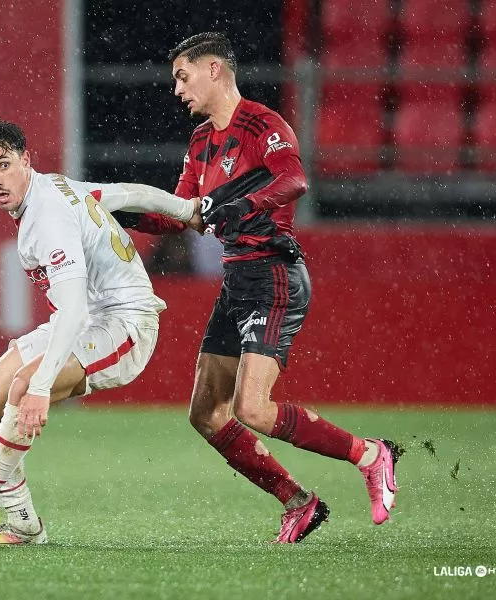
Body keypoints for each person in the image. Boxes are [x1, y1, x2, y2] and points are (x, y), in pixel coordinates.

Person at [117, 32, 402, 543]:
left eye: (183, 77)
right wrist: (120, 215)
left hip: (273, 273)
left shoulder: (262, 124)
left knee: (252, 408)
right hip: (238, 280)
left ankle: (370, 454)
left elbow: (294, 182)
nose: (177, 89)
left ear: (214, 70)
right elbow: (181, 216)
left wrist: (240, 207)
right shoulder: (201, 141)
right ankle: (299, 501)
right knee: (205, 413)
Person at [0, 118, 202, 544]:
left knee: (25, 383)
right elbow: (129, 193)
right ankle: (25, 525)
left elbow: (74, 307)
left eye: (4, 164)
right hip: (84, 321)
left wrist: (41, 386)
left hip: (124, 324)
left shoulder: (46, 219)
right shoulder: (56, 187)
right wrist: (187, 210)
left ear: (26, 159)